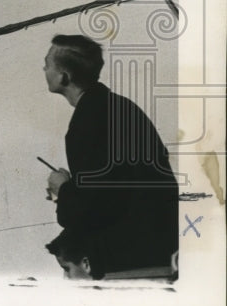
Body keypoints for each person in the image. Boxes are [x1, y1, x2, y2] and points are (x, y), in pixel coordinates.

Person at [42, 34, 178, 277]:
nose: (44, 69)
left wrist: (63, 189)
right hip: (160, 251)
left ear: (64, 76)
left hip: (126, 263)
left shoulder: (86, 121)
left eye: (48, 63)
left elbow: (91, 208)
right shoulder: (122, 107)